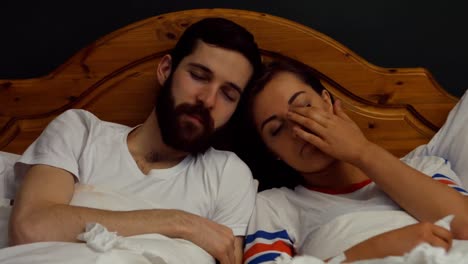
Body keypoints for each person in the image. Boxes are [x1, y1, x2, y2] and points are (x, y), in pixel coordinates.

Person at [8, 17, 262, 264]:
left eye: (228, 94)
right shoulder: (81, 132)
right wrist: (181, 223)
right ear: (166, 70)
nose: (208, 100)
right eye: (198, 76)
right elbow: (30, 229)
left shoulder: (228, 175)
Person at [239, 58, 468, 263]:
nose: (298, 129)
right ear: (272, 152)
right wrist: (375, 249)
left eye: (304, 106)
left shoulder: (425, 167)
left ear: (327, 102)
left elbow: (465, 227)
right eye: (277, 130)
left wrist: (361, 151)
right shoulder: (275, 207)